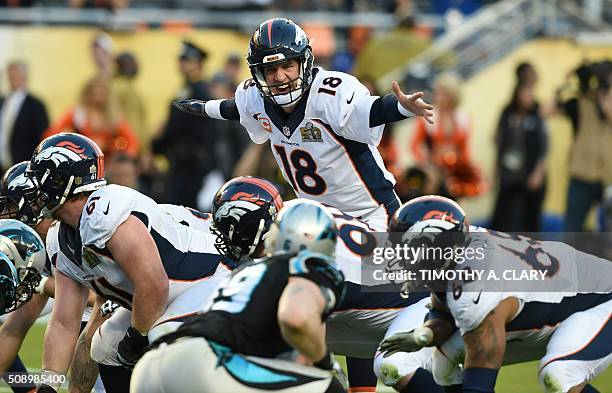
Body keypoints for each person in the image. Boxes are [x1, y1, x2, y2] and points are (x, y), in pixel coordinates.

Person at [174, 17, 434, 231]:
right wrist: (199, 107)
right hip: (316, 221)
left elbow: (371, 111)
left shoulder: (329, 94)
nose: (280, 76)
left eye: (287, 65)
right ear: (258, 74)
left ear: (304, 62)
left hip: (370, 216)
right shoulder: (254, 97)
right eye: (271, 70)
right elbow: (231, 108)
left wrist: (401, 107)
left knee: (389, 288)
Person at [25, 133, 238, 393]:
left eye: (41, 178)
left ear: (65, 180)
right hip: (165, 294)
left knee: (163, 336)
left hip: (208, 278)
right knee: (105, 344)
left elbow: (154, 285)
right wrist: (49, 384)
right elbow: (64, 321)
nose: (34, 187)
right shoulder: (60, 239)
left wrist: (137, 336)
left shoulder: (104, 211)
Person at [204, 177, 442, 392]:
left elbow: (307, 319)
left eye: (229, 230)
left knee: (392, 365)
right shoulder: (297, 214)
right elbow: (355, 305)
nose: (225, 239)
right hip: (394, 291)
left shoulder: (294, 252)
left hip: (423, 298)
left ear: (251, 230)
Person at [378, 195, 612, 393]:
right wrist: (424, 336)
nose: (403, 259)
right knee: (443, 362)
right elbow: (443, 312)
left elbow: (482, 375)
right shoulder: (458, 257)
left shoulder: (477, 283)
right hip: (555, 303)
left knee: (559, 374)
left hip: (602, 299)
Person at [131, 199, 347, 393]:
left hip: (152, 365)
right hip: (203, 366)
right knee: (329, 386)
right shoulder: (308, 265)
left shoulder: (246, 271)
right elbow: (297, 319)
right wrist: (325, 363)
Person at [152, 40, 221, 209]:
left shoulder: (197, 92)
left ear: (198, 63)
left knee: (182, 210)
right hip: (184, 163)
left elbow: (176, 127)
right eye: (182, 60)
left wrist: (155, 145)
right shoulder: (188, 89)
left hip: (191, 165)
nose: (182, 64)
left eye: (187, 60)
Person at [490, 83, 547, 232]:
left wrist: (538, 172)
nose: (528, 97)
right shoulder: (508, 114)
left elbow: (543, 147)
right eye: (525, 93)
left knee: (528, 219)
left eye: (530, 94)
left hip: (529, 175)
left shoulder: (537, 117)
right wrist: (494, 173)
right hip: (509, 175)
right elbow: (499, 142)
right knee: (502, 217)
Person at [0, 60, 49, 173]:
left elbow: (43, 136)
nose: (15, 78)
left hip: (24, 166)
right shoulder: (3, 101)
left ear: (25, 76)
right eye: (12, 75)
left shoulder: (36, 105)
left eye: (18, 75)